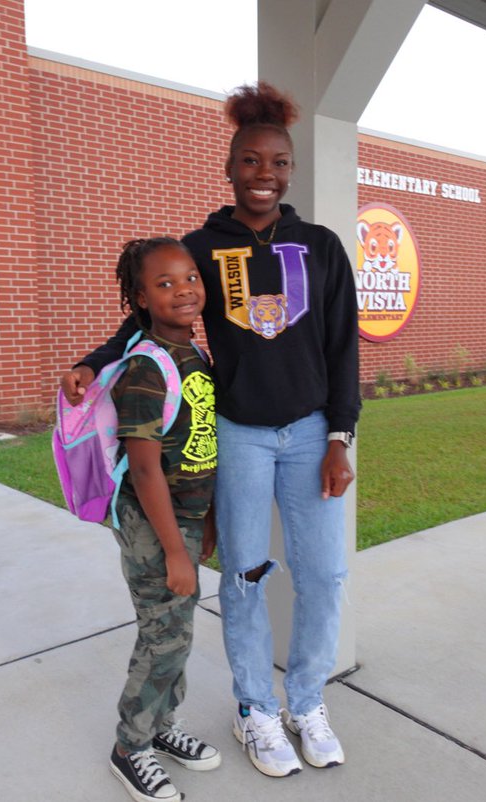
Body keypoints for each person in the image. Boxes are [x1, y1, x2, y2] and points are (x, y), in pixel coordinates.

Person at [64, 82, 360, 779]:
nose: (266, 175)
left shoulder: (320, 246)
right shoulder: (199, 246)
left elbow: (344, 344)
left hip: (313, 432)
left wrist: (341, 436)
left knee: (324, 574)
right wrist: (92, 360)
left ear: (292, 169)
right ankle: (257, 710)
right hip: (241, 434)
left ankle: (308, 702)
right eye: (251, 162)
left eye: (279, 163)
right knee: (247, 576)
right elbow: (146, 316)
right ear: (230, 170)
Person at [105, 237, 221, 802]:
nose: (184, 291)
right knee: (162, 638)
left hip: (186, 519)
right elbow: (146, 471)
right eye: (165, 284)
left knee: (178, 632)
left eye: (191, 278)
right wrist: (175, 549)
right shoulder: (148, 367)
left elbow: (203, 443)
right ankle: (130, 747)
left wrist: (209, 519)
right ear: (140, 297)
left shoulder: (195, 354)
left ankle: (161, 727)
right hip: (155, 527)